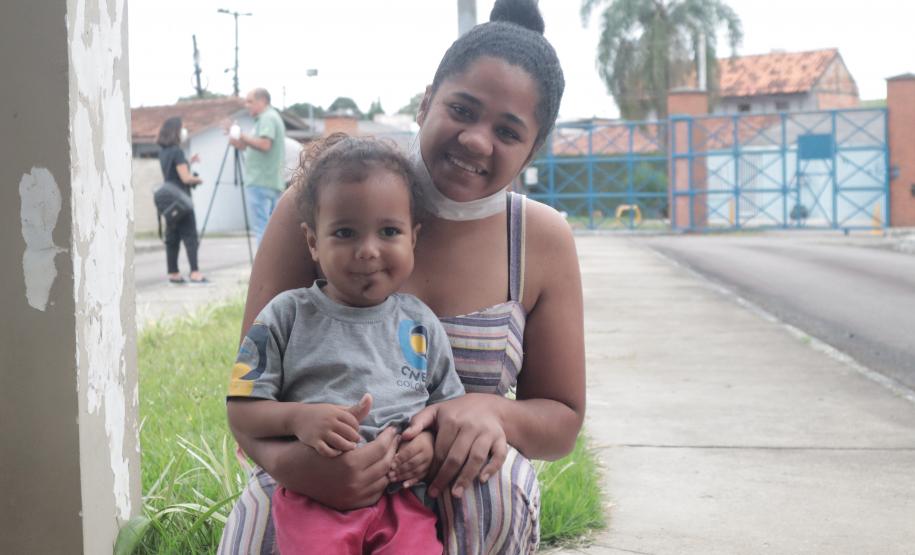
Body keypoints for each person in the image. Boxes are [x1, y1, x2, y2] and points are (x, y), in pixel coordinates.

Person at [219, 0, 586, 553]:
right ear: (424, 104)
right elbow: (248, 398)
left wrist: (489, 409)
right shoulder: (323, 202)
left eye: (508, 131)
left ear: (533, 148)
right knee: (264, 517)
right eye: (462, 109)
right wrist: (296, 466)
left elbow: (561, 421)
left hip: (459, 492)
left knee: (501, 489)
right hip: (310, 480)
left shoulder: (541, 238)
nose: (477, 140)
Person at [227, 135, 464, 554]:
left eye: (389, 231)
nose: (368, 251)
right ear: (313, 242)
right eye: (345, 233)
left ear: (414, 237)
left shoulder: (420, 325)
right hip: (312, 498)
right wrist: (298, 419)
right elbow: (241, 409)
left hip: (403, 500)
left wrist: (426, 446)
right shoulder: (285, 316)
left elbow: (448, 409)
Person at [227, 87, 287, 247]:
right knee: (272, 230)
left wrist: (241, 134)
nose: (247, 105)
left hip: (261, 180)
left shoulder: (267, 118)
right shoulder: (267, 118)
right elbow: (255, 146)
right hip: (271, 180)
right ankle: (274, 266)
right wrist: (237, 141)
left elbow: (265, 144)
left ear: (262, 101)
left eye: (250, 101)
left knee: (262, 229)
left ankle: (265, 269)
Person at [156, 116, 208, 284]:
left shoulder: (164, 152)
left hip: (169, 202)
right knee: (190, 236)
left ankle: (173, 273)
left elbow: (172, 173)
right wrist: (197, 180)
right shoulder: (177, 152)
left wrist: (188, 161)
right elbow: (185, 178)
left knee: (172, 237)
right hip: (182, 200)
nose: (184, 131)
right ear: (176, 131)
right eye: (182, 128)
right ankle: (195, 272)